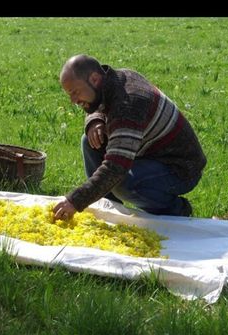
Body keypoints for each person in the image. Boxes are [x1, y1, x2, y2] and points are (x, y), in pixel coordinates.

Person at [53, 54, 206, 221]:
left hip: (180, 168)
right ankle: (110, 209)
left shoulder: (129, 104)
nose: (73, 100)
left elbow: (116, 168)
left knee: (123, 184)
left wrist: (75, 201)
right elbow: (99, 104)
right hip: (148, 153)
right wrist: (95, 120)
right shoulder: (115, 79)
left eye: (75, 92)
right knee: (90, 141)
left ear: (95, 79)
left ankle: (178, 210)